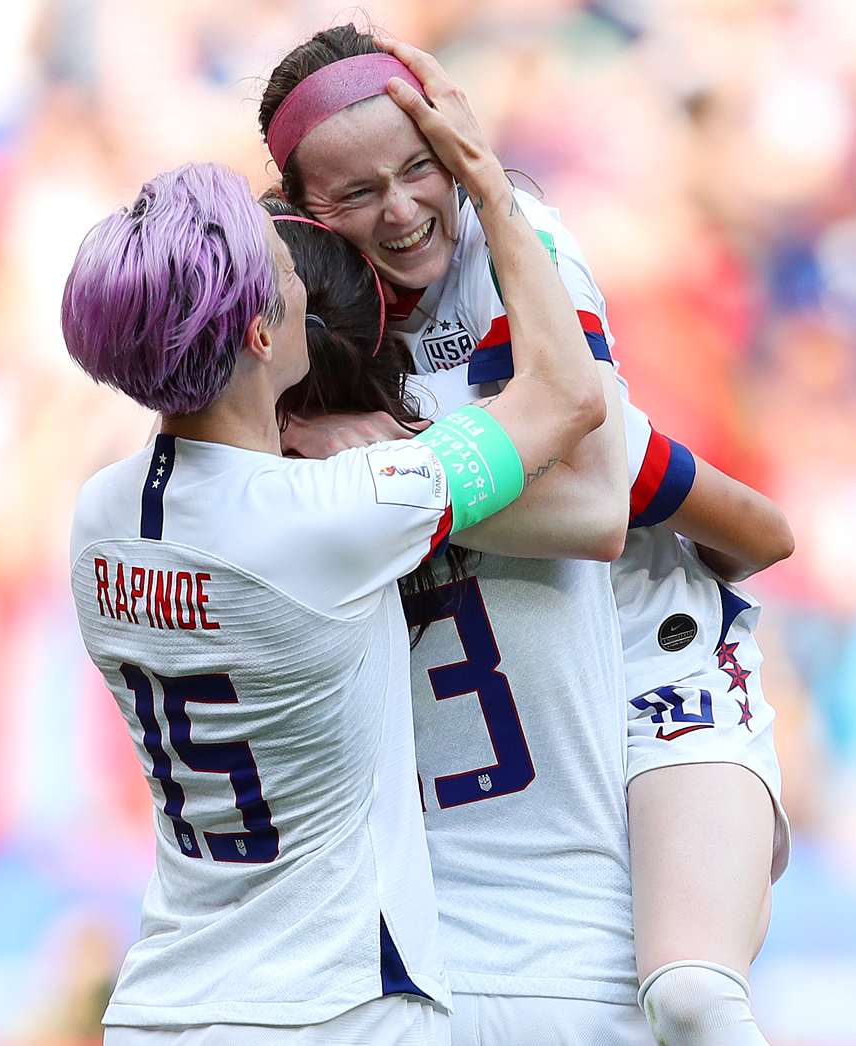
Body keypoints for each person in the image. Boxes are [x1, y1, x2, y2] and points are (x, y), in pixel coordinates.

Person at [261, 29, 789, 1046]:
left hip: (653, 664)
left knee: (691, 998)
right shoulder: (304, 324)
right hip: (512, 723)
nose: (406, 207)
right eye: (357, 192)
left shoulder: (518, 241)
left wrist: (385, 465)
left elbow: (600, 508)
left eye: (424, 165)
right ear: (299, 214)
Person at [61, 150, 603, 1043]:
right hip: (336, 1002)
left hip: (163, 999)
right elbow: (571, 399)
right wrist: (494, 193)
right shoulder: (334, 512)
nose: (307, 276)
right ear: (262, 335)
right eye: (285, 269)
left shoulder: (99, 516)